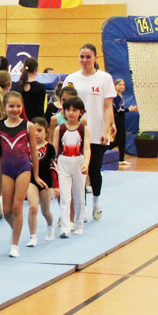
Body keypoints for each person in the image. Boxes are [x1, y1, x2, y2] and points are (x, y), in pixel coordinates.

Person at [63, 44, 116, 220]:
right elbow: (64, 106)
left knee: (94, 169)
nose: (84, 60)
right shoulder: (71, 79)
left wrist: (106, 129)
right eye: (82, 57)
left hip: (96, 131)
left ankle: (96, 202)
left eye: (88, 57)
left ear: (95, 58)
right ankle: (81, 208)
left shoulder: (105, 78)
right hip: (76, 132)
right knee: (79, 172)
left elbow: (108, 107)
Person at [0, 90, 38, 258]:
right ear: (4, 107)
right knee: (7, 210)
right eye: (11, 106)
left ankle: (14, 244)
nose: (15, 109)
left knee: (17, 206)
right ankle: (17, 230)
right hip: (6, 169)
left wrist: (36, 175)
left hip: (23, 168)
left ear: (22, 107)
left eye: (18, 106)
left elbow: (34, 153)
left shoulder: (28, 126)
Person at [54, 97, 91, 238]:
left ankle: (79, 224)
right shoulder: (59, 129)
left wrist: (86, 163)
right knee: (65, 196)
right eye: (68, 109)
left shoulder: (84, 129)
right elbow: (54, 149)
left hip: (79, 162)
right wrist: (53, 166)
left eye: (74, 110)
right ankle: (65, 227)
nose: (70, 112)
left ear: (81, 112)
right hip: (63, 162)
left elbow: (86, 148)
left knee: (79, 195)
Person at [26, 117, 56, 246]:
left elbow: (53, 167)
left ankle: (50, 225)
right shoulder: (26, 147)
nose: (36, 133)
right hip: (31, 181)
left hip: (46, 182)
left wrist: (56, 186)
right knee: (33, 207)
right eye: (34, 131)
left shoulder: (50, 148)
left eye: (40, 130)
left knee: (45, 211)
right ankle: (33, 236)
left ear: (46, 132)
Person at [112, 78, 137, 167]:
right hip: (117, 119)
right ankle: (104, 149)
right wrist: (129, 109)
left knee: (122, 140)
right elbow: (119, 111)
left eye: (123, 85)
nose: (122, 86)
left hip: (121, 118)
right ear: (115, 86)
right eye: (119, 85)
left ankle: (121, 158)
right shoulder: (115, 97)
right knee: (119, 140)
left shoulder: (120, 97)